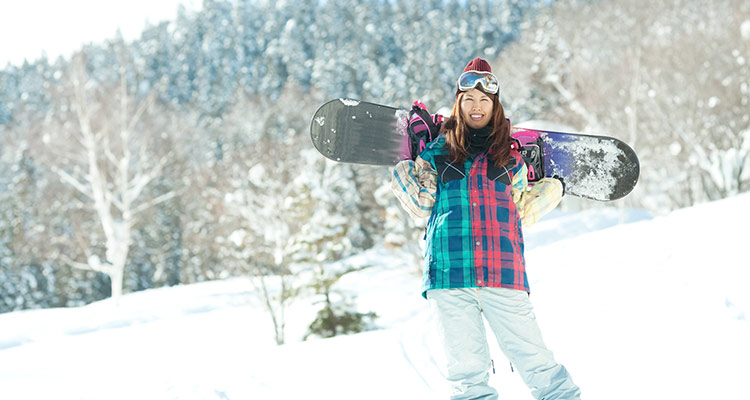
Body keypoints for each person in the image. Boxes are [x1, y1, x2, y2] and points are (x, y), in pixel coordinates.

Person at [391, 57, 581, 400]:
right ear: (458, 105)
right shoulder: (437, 153)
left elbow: (522, 209)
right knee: (468, 380)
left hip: (502, 274)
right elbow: (420, 204)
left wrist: (555, 187)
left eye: (484, 101)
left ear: (495, 107)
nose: (476, 107)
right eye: (469, 100)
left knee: (540, 368)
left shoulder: (511, 160)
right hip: (449, 276)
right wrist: (402, 167)